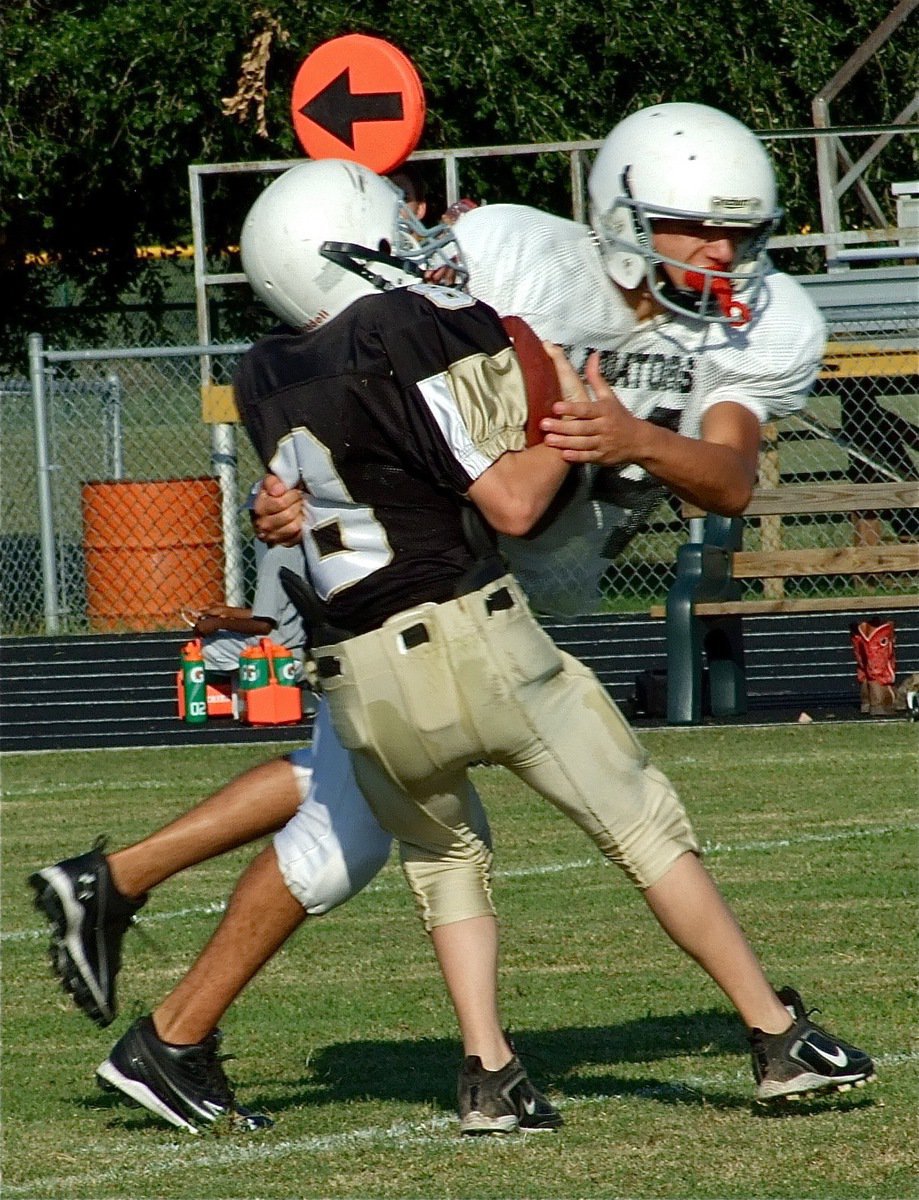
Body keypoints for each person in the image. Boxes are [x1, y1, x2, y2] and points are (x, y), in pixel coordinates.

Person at [30, 105, 874, 1133]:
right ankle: (167, 1024)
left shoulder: (761, 323)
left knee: (381, 809)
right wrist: (290, 502)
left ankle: (139, 937)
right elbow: (392, 411)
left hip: (462, 593)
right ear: (619, 214)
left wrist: (634, 438)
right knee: (395, 827)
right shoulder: (511, 256)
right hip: (447, 584)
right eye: (696, 228)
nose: (722, 253)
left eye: (741, 233)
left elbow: (732, 477)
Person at [184, 541, 308, 678]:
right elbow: (273, 612)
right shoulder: (300, 552)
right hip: (304, 651)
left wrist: (218, 624)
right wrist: (227, 612)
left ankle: (246, 694)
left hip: (282, 656)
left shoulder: (275, 557)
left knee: (207, 646)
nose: (259, 525)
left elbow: (263, 625)